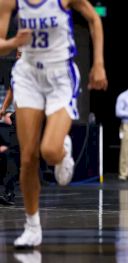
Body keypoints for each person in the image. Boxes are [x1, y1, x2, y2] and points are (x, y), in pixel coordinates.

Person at [0, 0, 107, 248]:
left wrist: (98, 63)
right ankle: (32, 226)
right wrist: (14, 43)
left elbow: (94, 18)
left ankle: (62, 150)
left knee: (49, 150)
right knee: (28, 157)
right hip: (27, 75)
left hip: (60, 75)